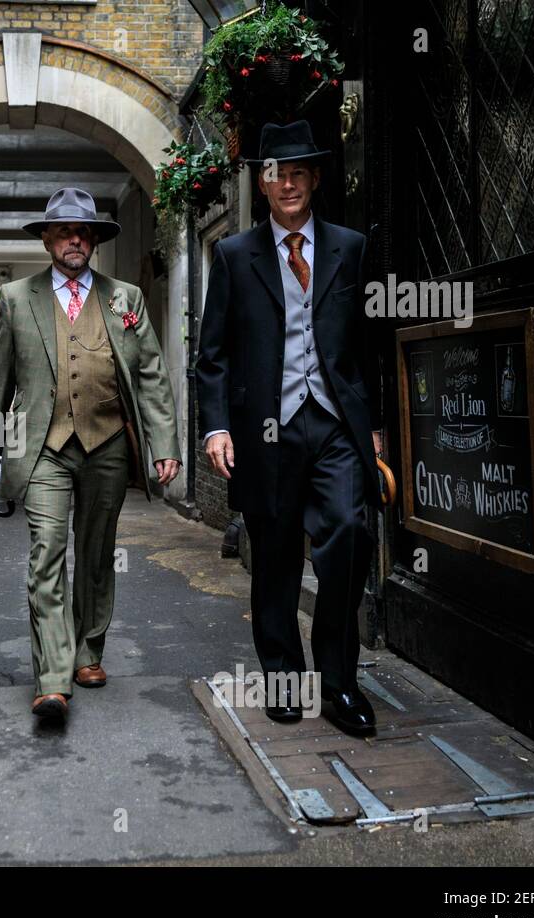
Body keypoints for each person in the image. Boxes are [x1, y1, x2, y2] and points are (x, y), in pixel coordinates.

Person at [196, 120, 383, 737]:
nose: (290, 184)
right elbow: (213, 354)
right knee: (274, 557)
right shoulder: (233, 255)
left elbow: (368, 343)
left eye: (301, 172)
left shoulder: (349, 248)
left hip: (333, 424)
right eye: (279, 173)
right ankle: (283, 678)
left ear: (316, 179)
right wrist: (217, 429)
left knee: (350, 535)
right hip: (265, 430)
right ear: (265, 182)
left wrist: (374, 424)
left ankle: (338, 683)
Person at [0, 188, 181, 721]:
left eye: (83, 232)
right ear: (46, 239)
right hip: (43, 447)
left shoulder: (125, 298)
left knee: (95, 550)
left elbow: (152, 375)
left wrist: (163, 444)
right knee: (47, 551)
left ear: (94, 240)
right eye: (64, 231)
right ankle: (52, 677)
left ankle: (89, 650)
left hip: (107, 445)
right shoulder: (17, 298)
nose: (74, 240)